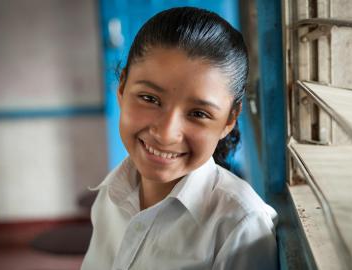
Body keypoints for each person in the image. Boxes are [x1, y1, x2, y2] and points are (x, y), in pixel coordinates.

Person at [81, 7, 278, 270]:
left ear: (229, 120)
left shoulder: (239, 225)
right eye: (149, 98)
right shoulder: (111, 196)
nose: (165, 133)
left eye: (198, 113)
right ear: (122, 86)